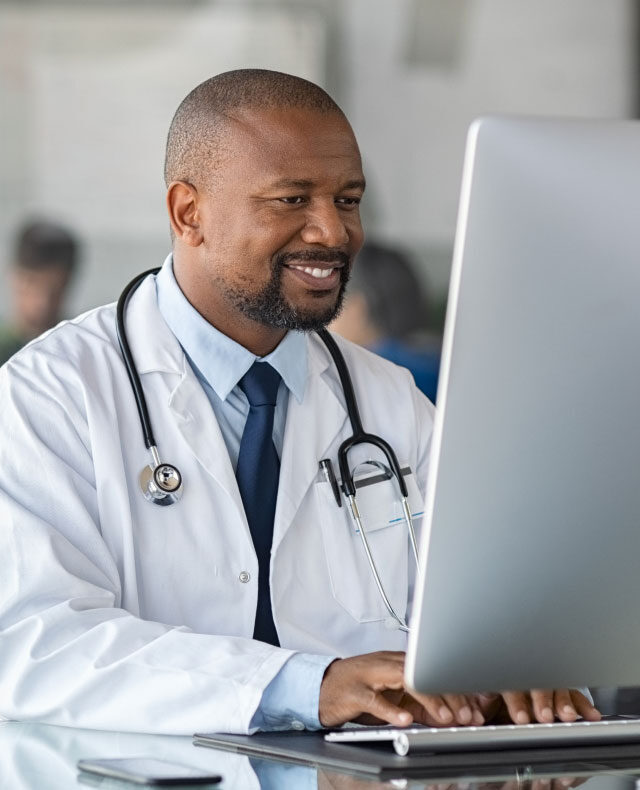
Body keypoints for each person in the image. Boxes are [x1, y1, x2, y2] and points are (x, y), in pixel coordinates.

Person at [0, 69, 599, 735]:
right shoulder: (49, 396)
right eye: (291, 200)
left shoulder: (387, 403)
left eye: (348, 200)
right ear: (187, 212)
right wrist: (306, 684)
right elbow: (34, 644)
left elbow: (481, 610)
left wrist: (509, 669)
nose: (332, 233)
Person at [330, 242, 441, 402]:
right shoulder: (438, 365)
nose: (323, 324)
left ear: (356, 308)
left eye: (329, 299)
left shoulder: (358, 380)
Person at [0, 219, 79, 365]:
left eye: (55, 289)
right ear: (13, 276)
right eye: (32, 283)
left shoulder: (79, 349)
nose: (43, 301)